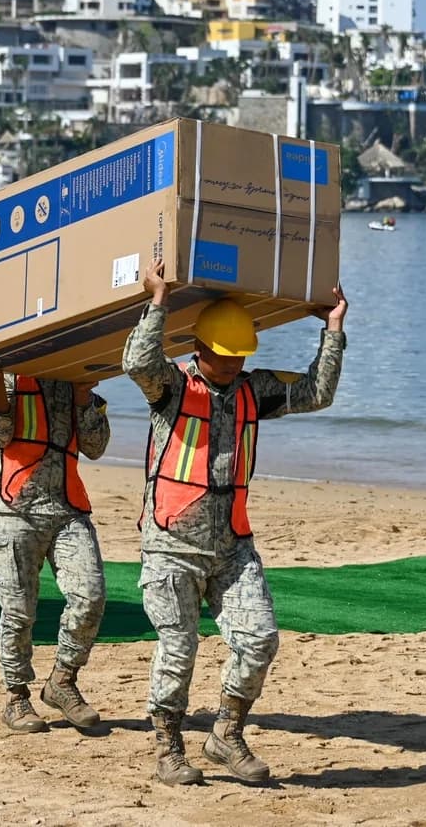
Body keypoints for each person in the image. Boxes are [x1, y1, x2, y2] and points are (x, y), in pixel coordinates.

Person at [123, 260, 347, 786]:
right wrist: (157, 301)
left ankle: (226, 733)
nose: (230, 364)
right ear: (199, 348)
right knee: (179, 649)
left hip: (232, 547)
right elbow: (137, 362)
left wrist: (333, 329)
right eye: (222, 355)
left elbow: (317, 393)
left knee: (260, 640)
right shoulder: (171, 387)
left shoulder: (254, 389)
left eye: (238, 356)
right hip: (171, 544)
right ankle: (168, 749)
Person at [0, 365, 111, 733]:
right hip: (14, 509)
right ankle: (16, 698)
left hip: (68, 508)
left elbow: (95, 447)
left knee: (90, 595)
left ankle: (62, 680)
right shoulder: (7, 376)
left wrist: (83, 396)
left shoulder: (75, 376)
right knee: (18, 610)